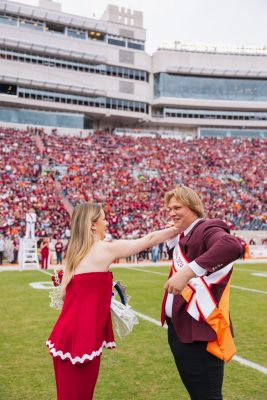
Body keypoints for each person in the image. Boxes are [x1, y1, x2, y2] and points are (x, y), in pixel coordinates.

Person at [46, 203, 179, 400]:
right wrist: (177, 228)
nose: (106, 223)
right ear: (92, 225)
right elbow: (147, 240)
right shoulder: (105, 249)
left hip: (67, 332)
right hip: (83, 335)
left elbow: (65, 294)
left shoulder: (74, 252)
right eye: (103, 218)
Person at [161, 185, 242, 400]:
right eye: (169, 209)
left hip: (200, 332)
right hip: (181, 330)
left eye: (177, 207)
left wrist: (188, 271)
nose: (172, 213)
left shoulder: (207, 227)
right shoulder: (186, 234)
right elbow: (188, 256)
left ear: (193, 207)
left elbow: (231, 246)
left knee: (207, 396)